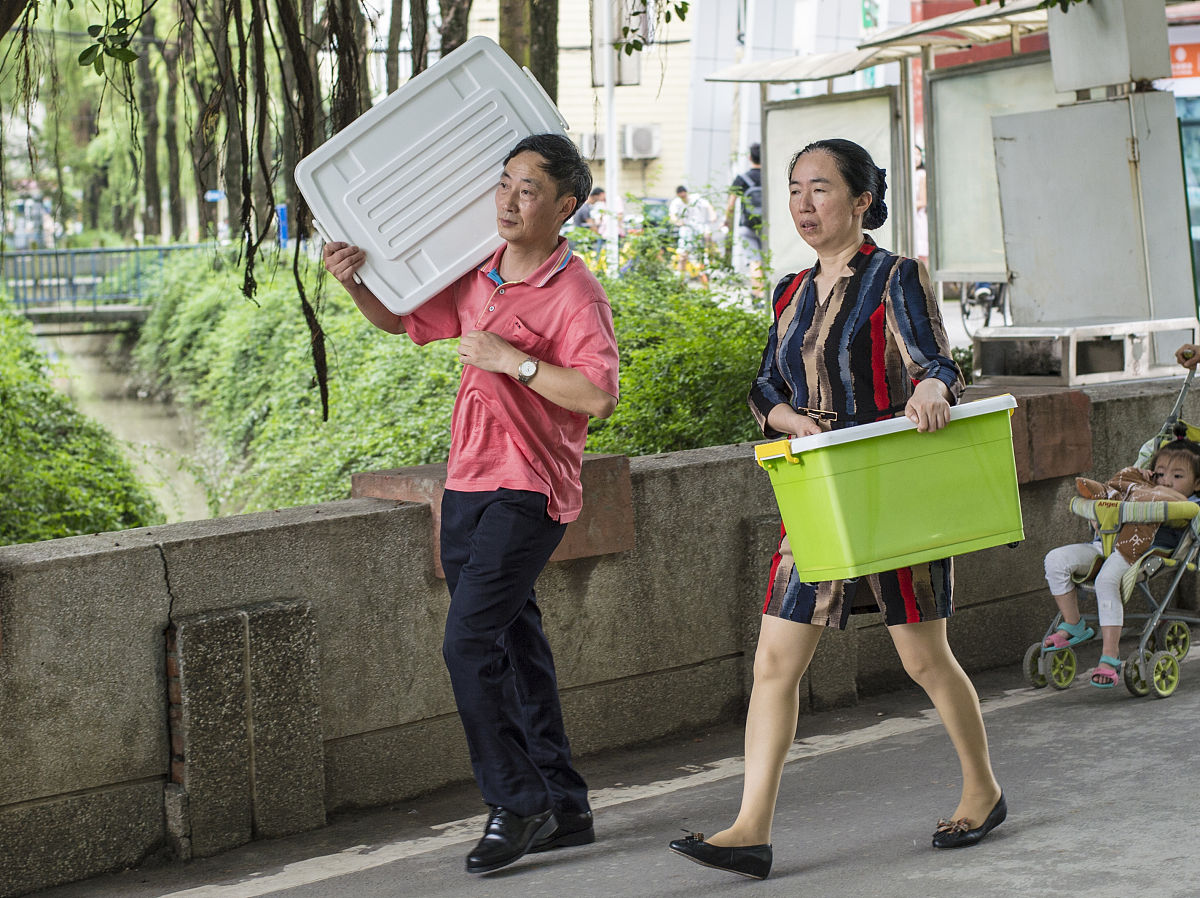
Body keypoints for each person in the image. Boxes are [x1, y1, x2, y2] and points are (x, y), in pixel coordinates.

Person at [668, 138, 1004, 881]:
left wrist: (931, 390)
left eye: (820, 189)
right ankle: (750, 827)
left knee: (923, 657)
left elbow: (937, 362)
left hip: (893, 488)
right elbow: (764, 388)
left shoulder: (896, 276)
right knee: (774, 664)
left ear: (861, 200)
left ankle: (983, 789)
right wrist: (794, 423)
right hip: (816, 492)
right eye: (794, 189)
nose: (803, 203)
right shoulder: (788, 291)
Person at [322, 133, 620, 876]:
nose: (509, 201)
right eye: (505, 184)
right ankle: (567, 804)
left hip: (531, 489)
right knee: (515, 643)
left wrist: (511, 360)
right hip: (467, 484)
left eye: (528, 191)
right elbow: (402, 322)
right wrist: (354, 281)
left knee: (466, 643)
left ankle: (517, 803)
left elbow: (596, 396)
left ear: (565, 206)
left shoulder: (576, 291)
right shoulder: (478, 273)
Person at [1042, 440, 1200, 686]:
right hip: (1106, 544)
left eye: (1177, 475)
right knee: (1055, 561)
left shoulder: (1190, 505)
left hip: (1142, 554)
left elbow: (1178, 504)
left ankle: (1109, 657)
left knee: (1107, 579)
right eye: (1159, 473)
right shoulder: (1138, 491)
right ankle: (1074, 623)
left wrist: (1155, 493)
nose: (1166, 480)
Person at [726, 142, 765, 299]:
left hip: (747, 226)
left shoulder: (742, 179)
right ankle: (768, 294)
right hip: (767, 227)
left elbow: (730, 205)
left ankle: (758, 294)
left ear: (750, 158)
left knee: (754, 261)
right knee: (766, 261)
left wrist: (726, 222)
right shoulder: (769, 177)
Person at [668, 185, 717, 285]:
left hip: (700, 226)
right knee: (683, 254)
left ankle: (709, 265)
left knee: (708, 240)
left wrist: (713, 216)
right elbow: (672, 215)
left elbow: (708, 206)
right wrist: (677, 221)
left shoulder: (696, 198)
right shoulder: (676, 203)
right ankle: (681, 279)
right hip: (686, 228)